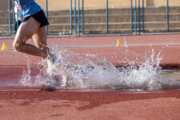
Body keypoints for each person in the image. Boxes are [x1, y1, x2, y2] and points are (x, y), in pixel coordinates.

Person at [12, 0, 69, 91]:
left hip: (32, 14)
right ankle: (64, 75)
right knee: (43, 49)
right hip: (34, 13)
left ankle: (54, 68)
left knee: (18, 45)